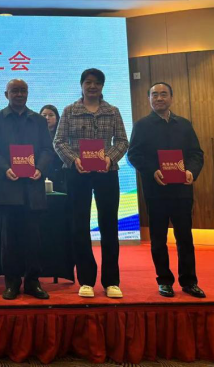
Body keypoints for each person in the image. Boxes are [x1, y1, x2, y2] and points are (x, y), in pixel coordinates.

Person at [54, 68, 129, 299]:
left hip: (107, 172)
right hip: (78, 173)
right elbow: (59, 141)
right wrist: (74, 159)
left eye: (97, 83)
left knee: (109, 226)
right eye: (88, 82)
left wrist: (110, 158)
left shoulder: (112, 111)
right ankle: (86, 280)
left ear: (102, 86)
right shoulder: (70, 111)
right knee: (79, 226)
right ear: (81, 85)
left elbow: (122, 141)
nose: (92, 86)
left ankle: (111, 281)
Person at [127, 82, 206, 298]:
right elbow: (134, 155)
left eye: (163, 94)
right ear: (149, 99)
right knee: (158, 239)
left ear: (171, 97)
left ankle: (189, 281)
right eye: (154, 95)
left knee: (185, 238)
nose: (159, 98)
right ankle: (164, 281)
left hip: (182, 191)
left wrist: (191, 171)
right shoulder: (142, 125)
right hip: (156, 191)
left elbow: (196, 154)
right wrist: (152, 171)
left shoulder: (184, 124)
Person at [0, 79, 55, 300]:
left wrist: (40, 168)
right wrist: (5, 169)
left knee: (34, 240)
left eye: (23, 90)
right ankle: (12, 283)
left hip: (33, 187)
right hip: (7, 187)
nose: (19, 94)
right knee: (9, 241)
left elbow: (47, 149)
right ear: (6, 94)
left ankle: (33, 282)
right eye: (14, 91)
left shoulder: (38, 120)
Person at [40, 104, 65, 192]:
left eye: (51, 115)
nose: (47, 118)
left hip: (60, 173)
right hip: (41, 171)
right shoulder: (34, 134)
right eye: (44, 115)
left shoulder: (62, 136)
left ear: (57, 118)